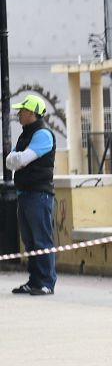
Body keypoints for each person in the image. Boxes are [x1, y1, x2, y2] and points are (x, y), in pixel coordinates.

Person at [6, 94, 57, 296]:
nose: (18, 114)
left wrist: (16, 158)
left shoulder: (43, 134)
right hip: (25, 193)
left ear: (31, 113)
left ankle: (46, 282)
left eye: (22, 110)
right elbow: (10, 160)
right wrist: (15, 158)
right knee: (30, 241)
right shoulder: (25, 134)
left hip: (39, 194)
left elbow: (21, 160)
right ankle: (34, 280)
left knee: (41, 239)